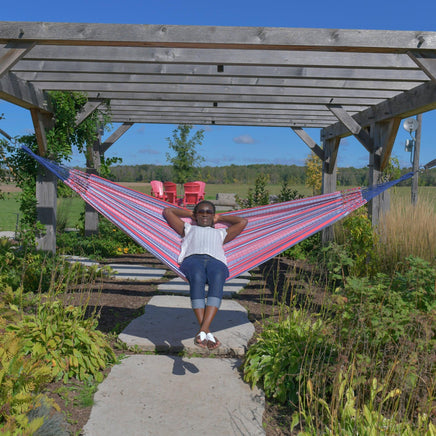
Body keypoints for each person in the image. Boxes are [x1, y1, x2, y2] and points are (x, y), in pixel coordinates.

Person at [163, 200, 247, 350]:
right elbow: (168, 211)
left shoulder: (221, 233)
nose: (205, 214)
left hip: (216, 261)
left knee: (218, 278)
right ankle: (206, 331)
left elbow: (242, 221)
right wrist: (192, 215)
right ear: (196, 215)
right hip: (192, 260)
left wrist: (220, 218)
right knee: (196, 277)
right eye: (201, 212)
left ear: (213, 215)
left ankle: (202, 331)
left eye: (209, 212)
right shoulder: (188, 228)